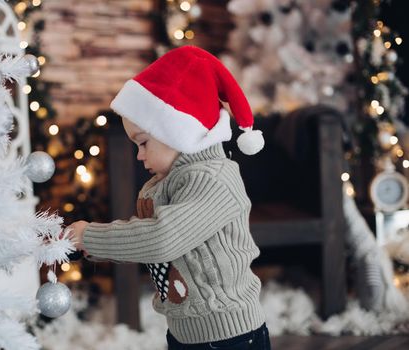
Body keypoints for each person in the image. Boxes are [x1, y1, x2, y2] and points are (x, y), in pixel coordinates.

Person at [67, 45, 271, 349]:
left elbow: (163, 239)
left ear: (176, 130)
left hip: (230, 336)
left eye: (144, 142)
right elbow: (149, 243)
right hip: (185, 333)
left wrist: (91, 235)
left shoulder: (214, 178)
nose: (139, 155)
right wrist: (94, 247)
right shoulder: (165, 183)